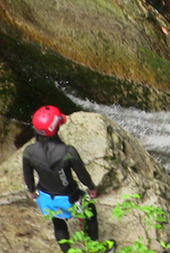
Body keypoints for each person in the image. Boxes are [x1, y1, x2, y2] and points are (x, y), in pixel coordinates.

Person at [22, 105, 116, 253]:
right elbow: (82, 175)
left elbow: (28, 179)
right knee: (90, 212)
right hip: (70, 197)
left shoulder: (28, 152)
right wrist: (92, 188)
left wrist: (32, 192)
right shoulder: (68, 152)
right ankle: (94, 249)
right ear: (56, 128)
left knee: (58, 222)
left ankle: (67, 251)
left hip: (46, 198)